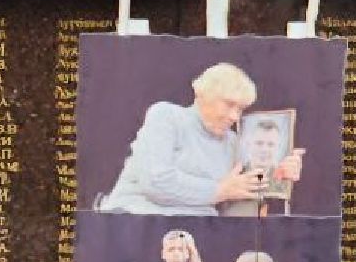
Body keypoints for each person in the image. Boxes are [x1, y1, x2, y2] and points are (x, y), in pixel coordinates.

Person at [101, 63, 302, 216]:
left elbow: (242, 196)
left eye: (240, 109)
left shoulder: (234, 142)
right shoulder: (166, 116)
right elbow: (156, 182)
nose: (235, 117)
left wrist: (278, 174)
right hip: (135, 222)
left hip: (199, 236)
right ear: (202, 95)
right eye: (229, 105)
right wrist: (220, 190)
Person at [220, 115, 297, 218]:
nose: (264, 150)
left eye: (270, 144)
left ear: (278, 148)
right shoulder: (232, 176)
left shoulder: (283, 181)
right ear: (249, 144)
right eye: (259, 143)